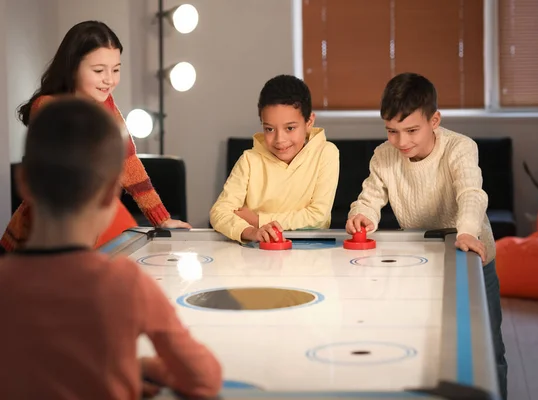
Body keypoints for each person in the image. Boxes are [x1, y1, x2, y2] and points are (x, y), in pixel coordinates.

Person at [0, 97, 222, 399]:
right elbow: (205, 379)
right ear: (110, 196)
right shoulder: (127, 285)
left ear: (23, 183)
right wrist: (136, 367)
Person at [346, 72, 508, 399]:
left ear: (434, 120)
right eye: (391, 131)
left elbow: (471, 194)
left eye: (411, 130)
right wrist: (360, 215)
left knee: (487, 349)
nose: (401, 142)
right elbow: (369, 198)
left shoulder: (460, 148)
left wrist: (465, 232)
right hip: (420, 263)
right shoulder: (384, 156)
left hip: (471, 256)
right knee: (425, 346)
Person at [0, 20, 190, 254]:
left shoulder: (107, 106)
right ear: (72, 67)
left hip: (85, 235)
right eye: (99, 70)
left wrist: (160, 218)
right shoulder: (48, 108)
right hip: (37, 238)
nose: (109, 79)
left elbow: (129, 163)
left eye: (116, 69)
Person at [209, 74, 340, 243]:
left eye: (290, 128)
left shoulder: (326, 153)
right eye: (270, 129)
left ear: (309, 122)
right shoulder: (249, 160)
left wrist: (258, 220)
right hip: (257, 252)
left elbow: (318, 217)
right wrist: (250, 231)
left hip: (310, 252)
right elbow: (219, 211)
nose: (280, 140)